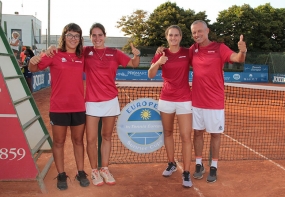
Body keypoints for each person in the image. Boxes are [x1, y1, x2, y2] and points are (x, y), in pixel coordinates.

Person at [156, 20, 247, 183]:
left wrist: (243, 52)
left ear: (207, 31)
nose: (197, 35)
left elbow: (237, 58)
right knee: (197, 133)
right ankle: (198, 164)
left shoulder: (220, 48)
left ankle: (214, 166)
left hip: (215, 101)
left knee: (215, 135)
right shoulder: (193, 50)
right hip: (196, 100)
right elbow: (177, 55)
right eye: (194, 33)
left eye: (200, 31)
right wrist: (161, 50)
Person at [28, 23, 90, 190]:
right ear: (64, 37)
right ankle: (61, 174)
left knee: (78, 141)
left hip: (78, 106)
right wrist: (33, 60)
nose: (73, 39)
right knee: (59, 142)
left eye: (76, 36)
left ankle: (81, 171)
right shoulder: (54, 54)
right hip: (58, 107)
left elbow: (101, 50)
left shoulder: (82, 55)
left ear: (80, 39)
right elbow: (33, 68)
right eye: (70, 35)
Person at [84, 23, 140, 186]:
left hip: (110, 101)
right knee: (91, 139)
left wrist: (136, 55)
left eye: (100, 35)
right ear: (90, 38)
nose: (97, 38)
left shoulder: (114, 53)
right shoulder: (86, 52)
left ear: (105, 36)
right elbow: (69, 50)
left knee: (107, 136)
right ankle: (94, 170)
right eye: (94, 35)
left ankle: (105, 169)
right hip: (92, 103)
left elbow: (134, 64)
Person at [148, 25, 193, 188]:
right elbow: (150, 74)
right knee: (167, 132)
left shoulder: (188, 52)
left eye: (176, 35)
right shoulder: (161, 53)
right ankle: (171, 163)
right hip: (166, 99)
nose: (173, 37)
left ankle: (186, 172)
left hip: (184, 100)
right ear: (167, 37)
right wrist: (158, 62)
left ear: (180, 37)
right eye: (170, 35)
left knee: (186, 136)